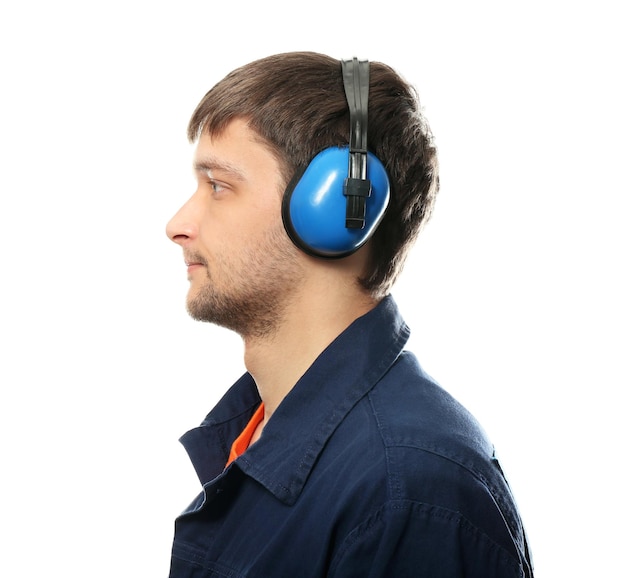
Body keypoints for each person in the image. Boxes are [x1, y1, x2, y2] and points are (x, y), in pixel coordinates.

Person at [165, 51, 534, 577]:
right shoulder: (261, 433)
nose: (177, 224)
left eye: (219, 185)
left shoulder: (408, 487)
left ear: (337, 210)